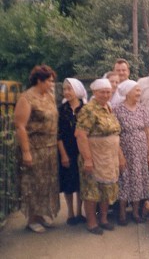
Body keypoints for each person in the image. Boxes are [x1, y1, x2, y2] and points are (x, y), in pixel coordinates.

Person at [75, 78, 126, 235]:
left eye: (108, 92)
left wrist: (120, 156)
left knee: (107, 189)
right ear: (94, 93)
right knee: (92, 190)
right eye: (102, 92)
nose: (105, 95)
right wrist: (88, 159)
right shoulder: (88, 109)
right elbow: (81, 135)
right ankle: (91, 222)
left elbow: (114, 134)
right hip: (94, 156)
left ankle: (103, 219)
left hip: (109, 157)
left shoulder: (109, 108)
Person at [14, 65, 60, 233]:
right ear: (39, 80)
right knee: (33, 184)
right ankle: (32, 220)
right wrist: (26, 152)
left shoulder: (49, 96)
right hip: (34, 149)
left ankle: (40, 216)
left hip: (49, 149)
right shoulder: (26, 98)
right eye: (50, 81)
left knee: (46, 184)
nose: (52, 84)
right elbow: (20, 126)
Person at [114, 80, 149, 225]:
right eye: (136, 90)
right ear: (127, 92)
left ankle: (136, 213)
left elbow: (148, 132)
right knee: (125, 180)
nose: (139, 93)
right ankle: (122, 213)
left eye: (139, 90)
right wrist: (120, 156)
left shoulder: (142, 109)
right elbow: (115, 135)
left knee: (139, 181)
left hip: (142, 152)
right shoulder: (117, 110)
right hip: (126, 151)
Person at [58, 78, 88, 226]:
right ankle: (70, 213)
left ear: (77, 90)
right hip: (67, 150)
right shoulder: (61, 110)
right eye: (64, 89)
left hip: (83, 150)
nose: (66, 92)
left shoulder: (86, 109)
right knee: (69, 182)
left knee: (81, 182)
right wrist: (63, 154)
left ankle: (79, 211)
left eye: (69, 89)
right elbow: (58, 134)